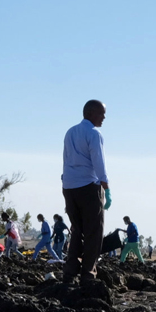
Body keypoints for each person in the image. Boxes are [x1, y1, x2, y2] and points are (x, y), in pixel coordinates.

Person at [61, 100, 109, 284]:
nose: (104, 117)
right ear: (90, 113)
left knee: (77, 230)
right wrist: (106, 186)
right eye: (101, 113)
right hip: (88, 186)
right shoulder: (94, 134)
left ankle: (69, 272)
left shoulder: (70, 132)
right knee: (93, 232)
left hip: (69, 187)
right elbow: (99, 162)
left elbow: (66, 158)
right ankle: (88, 274)